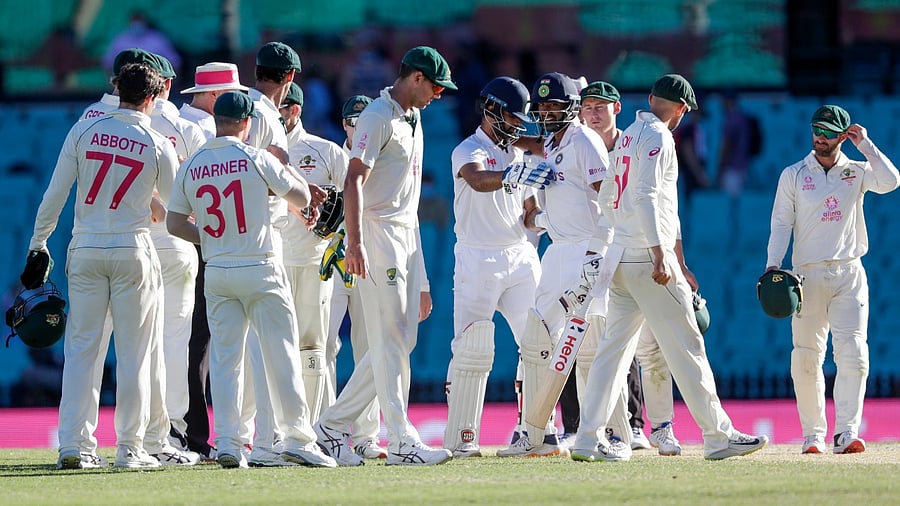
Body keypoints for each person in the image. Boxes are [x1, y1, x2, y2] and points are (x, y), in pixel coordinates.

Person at [573, 74, 768, 462]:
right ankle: (718, 436)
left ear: (649, 99)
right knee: (688, 345)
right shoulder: (660, 136)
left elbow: (612, 192)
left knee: (611, 354)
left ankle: (586, 438)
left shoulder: (628, 133)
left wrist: (610, 241)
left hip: (622, 258)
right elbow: (644, 194)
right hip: (647, 259)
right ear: (681, 109)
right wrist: (661, 253)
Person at [166, 91, 336, 469]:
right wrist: (282, 169)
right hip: (259, 265)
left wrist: (212, 238)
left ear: (217, 121)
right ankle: (297, 437)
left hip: (219, 269)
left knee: (226, 359)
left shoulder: (193, 163)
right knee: (282, 352)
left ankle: (228, 441)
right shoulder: (255, 157)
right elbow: (302, 194)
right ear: (247, 123)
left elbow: (175, 222)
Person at [31, 63, 177, 469]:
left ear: (116, 90)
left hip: (87, 248)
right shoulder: (156, 140)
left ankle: (74, 447)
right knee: (135, 354)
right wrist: (151, 203)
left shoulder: (84, 129)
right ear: (152, 98)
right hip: (133, 250)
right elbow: (176, 208)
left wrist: (37, 243)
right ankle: (130, 449)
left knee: (80, 351)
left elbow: (55, 194)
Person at [315, 46, 455, 467]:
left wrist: (424, 279)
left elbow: (408, 203)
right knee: (391, 339)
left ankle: (332, 424)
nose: (439, 95)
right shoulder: (377, 116)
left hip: (404, 236)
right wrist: (354, 244)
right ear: (415, 78)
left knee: (402, 338)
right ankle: (401, 440)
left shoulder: (413, 117)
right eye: (434, 86)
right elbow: (354, 179)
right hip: (377, 234)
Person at [498, 72, 621, 459]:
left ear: (571, 107)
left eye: (556, 106)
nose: (548, 113)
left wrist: (598, 255)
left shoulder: (585, 142)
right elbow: (528, 143)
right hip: (558, 251)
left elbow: (610, 203)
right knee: (536, 338)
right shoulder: (550, 142)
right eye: (543, 107)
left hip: (590, 250)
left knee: (593, 345)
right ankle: (536, 433)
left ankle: (607, 435)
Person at [765, 105, 900, 454]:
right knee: (806, 357)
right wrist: (773, 264)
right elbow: (781, 222)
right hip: (806, 276)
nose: (820, 137)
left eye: (828, 132)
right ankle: (813, 435)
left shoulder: (856, 171)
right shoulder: (794, 174)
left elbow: (891, 181)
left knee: (854, 353)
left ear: (842, 136)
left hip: (849, 273)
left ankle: (846, 432)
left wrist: (866, 146)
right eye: (817, 130)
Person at [443, 76, 544, 458]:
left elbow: (529, 214)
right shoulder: (467, 149)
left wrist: (547, 221)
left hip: (519, 255)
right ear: (491, 110)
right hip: (477, 258)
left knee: (538, 344)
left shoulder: (519, 155)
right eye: (512, 117)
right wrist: (511, 175)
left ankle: (535, 433)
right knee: (470, 350)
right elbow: (477, 179)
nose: (518, 125)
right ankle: (462, 438)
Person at [567, 80, 655, 452]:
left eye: (601, 106)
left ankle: (633, 426)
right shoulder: (571, 144)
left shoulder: (631, 145)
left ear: (617, 108)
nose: (593, 113)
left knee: (626, 339)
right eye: (588, 107)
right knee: (572, 336)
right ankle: (574, 425)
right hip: (581, 251)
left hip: (623, 248)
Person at [176, 60, 250, 461]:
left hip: (175, 241)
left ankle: (181, 433)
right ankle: (199, 435)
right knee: (205, 346)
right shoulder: (204, 130)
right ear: (218, 97)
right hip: (206, 247)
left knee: (183, 343)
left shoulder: (173, 120)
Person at [278, 82, 348, 424]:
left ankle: (315, 428)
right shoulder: (257, 150)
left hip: (313, 261)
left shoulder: (326, 151)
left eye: (281, 108)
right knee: (273, 350)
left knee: (313, 348)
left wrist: (339, 234)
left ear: (294, 110)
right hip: (272, 263)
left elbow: (354, 200)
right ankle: (276, 431)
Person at [323, 94, 388, 461]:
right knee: (326, 345)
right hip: (333, 262)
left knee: (369, 344)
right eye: (352, 120)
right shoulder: (332, 156)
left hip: (371, 260)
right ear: (344, 123)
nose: (356, 126)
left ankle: (365, 435)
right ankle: (327, 429)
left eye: (363, 120)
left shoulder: (383, 157)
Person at [180, 62, 250, 139]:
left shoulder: (176, 117)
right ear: (214, 94)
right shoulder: (210, 130)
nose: (234, 100)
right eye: (231, 95)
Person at [103, 12, 181, 78]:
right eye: (135, 21)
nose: (137, 25)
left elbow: (176, 63)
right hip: (126, 87)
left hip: (153, 84)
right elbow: (107, 64)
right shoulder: (121, 39)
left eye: (139, 21)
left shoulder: (157, 39)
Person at [716, 91, 754, 198]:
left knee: (729, 203)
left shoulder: (731, 119)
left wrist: (720, 168)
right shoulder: (743, 118)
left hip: (732, 169)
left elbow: (727, 145)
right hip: (744, 167)